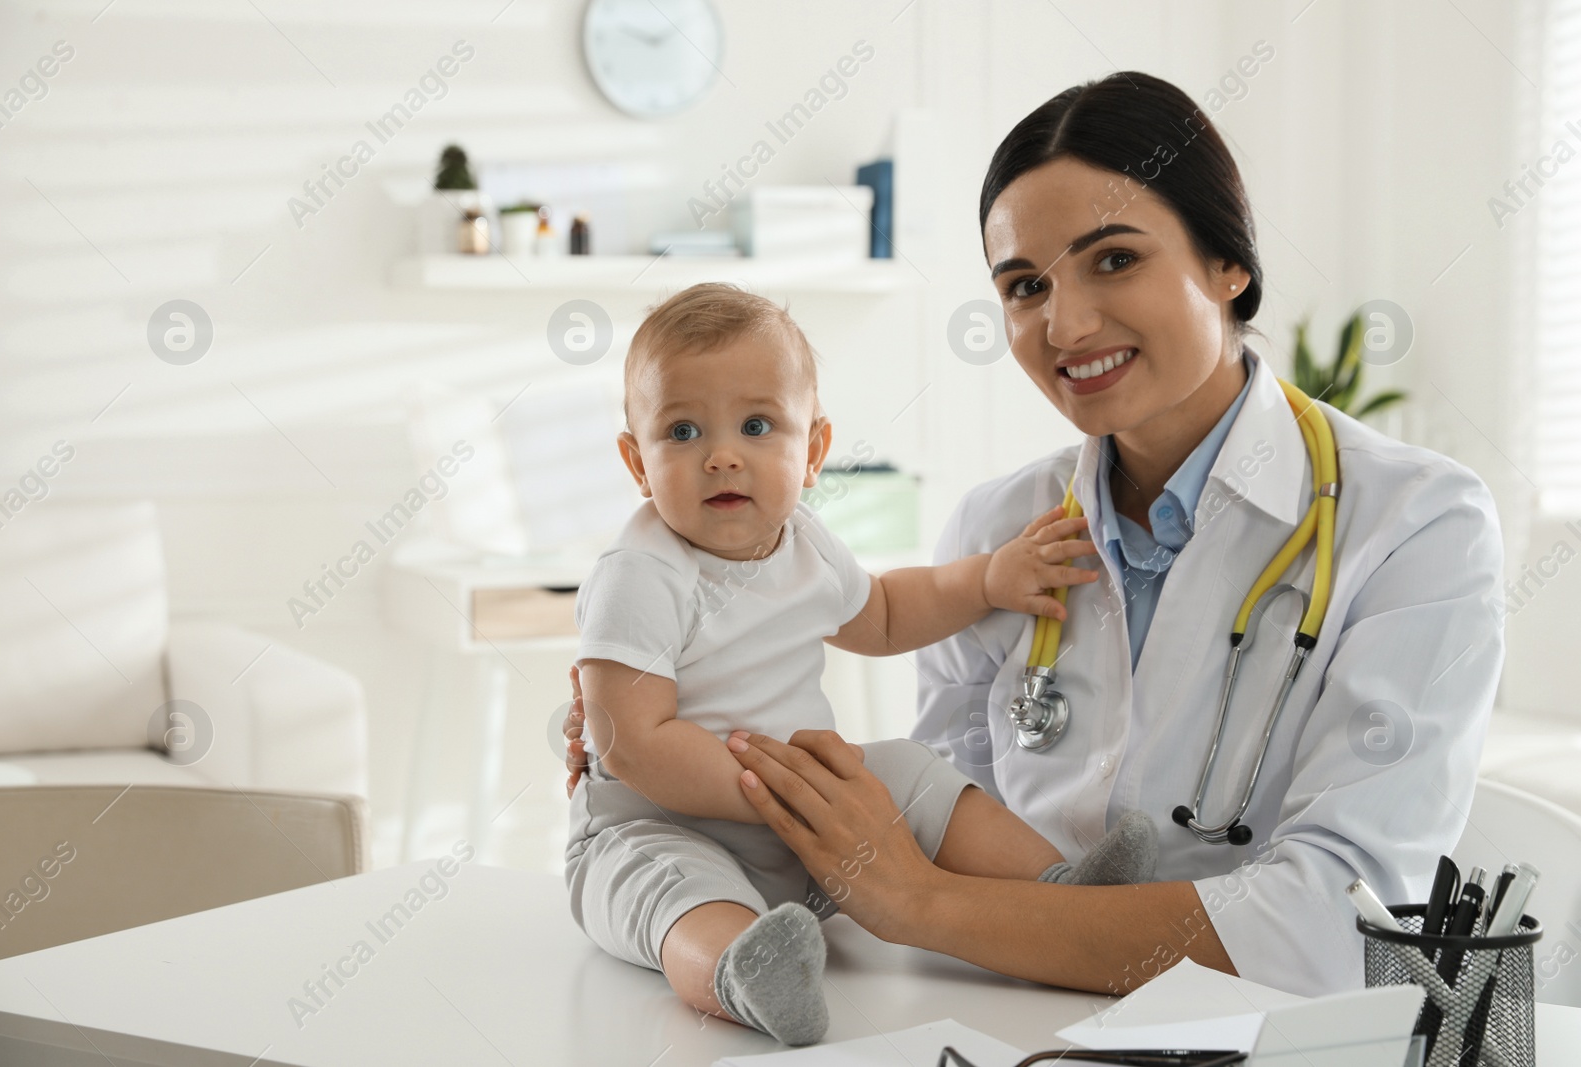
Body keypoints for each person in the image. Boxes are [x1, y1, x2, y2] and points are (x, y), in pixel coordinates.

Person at [566, 70, 1504, 1000]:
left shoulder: (1417, 524)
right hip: (1012, 1015)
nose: (1066, 322)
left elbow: (1340, 927)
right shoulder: (996, 532)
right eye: (1025, 285)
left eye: (1115, 259)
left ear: (1229, 264)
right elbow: (946, 811)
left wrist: (916, 901)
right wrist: (664, 726)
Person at [565, 282, 1159, 1046]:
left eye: (756, 425)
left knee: (911, 770)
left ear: (812, 450)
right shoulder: (641, 572)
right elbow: (634, 740)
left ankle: (1061, 889)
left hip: (809, 828)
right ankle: (742, 970)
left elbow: (879, 613)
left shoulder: (805, 544)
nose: (721, 456)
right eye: (681, 431)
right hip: (661, 824)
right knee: (676, 893)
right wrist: (781, 795)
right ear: (636, 461)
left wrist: (985, 580)